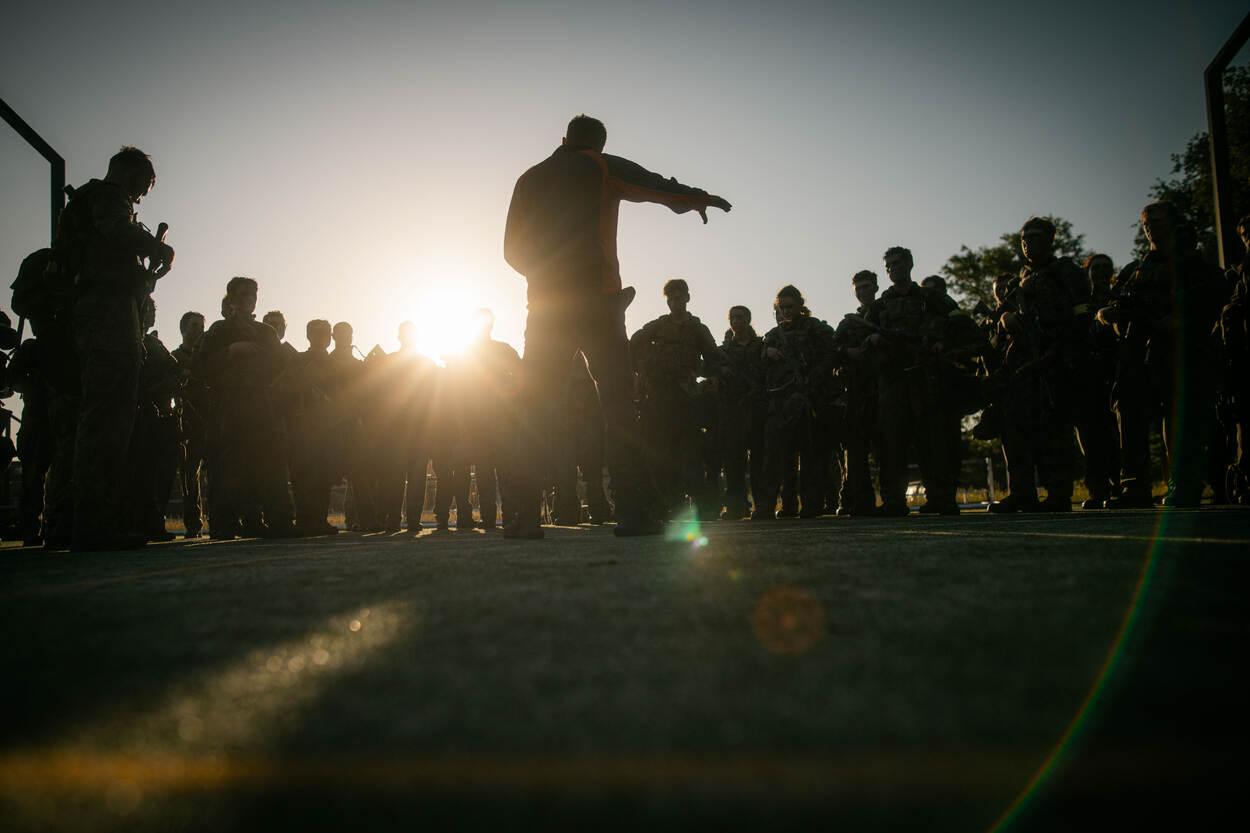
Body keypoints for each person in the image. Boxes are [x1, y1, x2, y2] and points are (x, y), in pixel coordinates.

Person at [502, 114, 731, 538]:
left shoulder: (528, 178)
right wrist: (696, 197)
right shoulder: (599, 164)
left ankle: (521, 517)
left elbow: (510, 249)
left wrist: (544, 277)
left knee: (534, 409)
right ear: (599, 145)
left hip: (546, 308)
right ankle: (634, 513)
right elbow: (655, 185)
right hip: (597, 304)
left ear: (563, 138)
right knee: (619, 407)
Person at [60, 147, 174, 550]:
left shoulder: (88, 203)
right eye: (141, 188)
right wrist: (156, 248)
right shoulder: (109, 198)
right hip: (107, 313)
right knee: (108, 416)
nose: (139, 198)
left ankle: (88, 518)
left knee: (104, 414)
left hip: (104, 311)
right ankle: (93, 522)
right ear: (128, 175)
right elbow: (117, 230)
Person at [1100, 202, 1226, 507]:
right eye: (1146, 222)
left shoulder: (1193, 264)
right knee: (1129, 414)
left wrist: (1183, 318)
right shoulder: (1135, 269)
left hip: (1179, 350)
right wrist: (1107, 315)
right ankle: (1135, 486)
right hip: (1138, 352)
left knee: (1180, 417)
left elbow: (1214, 293)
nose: (1151, 226)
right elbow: (1111, 305)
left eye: (1158, 221)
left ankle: (1183, 484)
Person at [989, 218, 1090, 513]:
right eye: (1023, 239)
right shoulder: (1019, 279)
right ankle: (1022, 492)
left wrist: (1063, 351)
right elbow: (1003, 313)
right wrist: (1006, 319)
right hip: (1021, 362)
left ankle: (1059, 493)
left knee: (1053, 428)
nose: (1028, 243)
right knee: (1014, 426)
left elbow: (1083, 313)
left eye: (1034, 237)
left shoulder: (1065, 272)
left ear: (1050, 241)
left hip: (1054, 358)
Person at [865, 246, 965, 516]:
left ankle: (941, 497)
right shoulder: (881, 304)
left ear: (909, 264)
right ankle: (894, 501)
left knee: (932, 441)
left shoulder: (930, 297)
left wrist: (943, 342)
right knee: (892, 444)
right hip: (893, 381)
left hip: (925, 378)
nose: (893, 269)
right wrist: (872, 340)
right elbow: (861, 333)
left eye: (897, 263)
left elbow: (960, 322)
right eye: (888, 266)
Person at [192, 277, 295, 537]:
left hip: (262, 404)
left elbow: (283, 366)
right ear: (232, 299)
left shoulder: (265, 333)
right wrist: (231, 351)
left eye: (252, 295)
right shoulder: (219, 331)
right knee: (231, 467)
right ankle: (225, 524)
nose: (248, 299)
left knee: (269, 465)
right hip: (230, 405)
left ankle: (276, 522)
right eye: (242, 295)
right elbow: (200, 367)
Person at [629, 279, 724, 520]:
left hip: (686, 399)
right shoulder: (658, 326)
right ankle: (668, 506)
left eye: (680, 297)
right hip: (659, 399)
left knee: (691, 456)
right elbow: (632, 345)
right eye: (671, 298)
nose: (676, 302)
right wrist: (640, 373)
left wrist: (712, 377)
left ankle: (701, 507)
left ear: (687, 299)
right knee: (659, 457)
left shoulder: (697, 328)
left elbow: (714, 356)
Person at [756, 285, 835, 519]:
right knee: (774, 458)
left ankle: (811, 505)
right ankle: (768, 506)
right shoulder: (773, 335)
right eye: (782, 307)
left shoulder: (816, 328)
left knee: (811, 457)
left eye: (791, 306)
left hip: (808, 399)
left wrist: (816, 376)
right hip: (779, 402)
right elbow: (758, 364)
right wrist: (766, 353)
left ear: (801, 306)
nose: (787, 311)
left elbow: (831, 353)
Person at [458, 309, 521, 530]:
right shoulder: (500, 351)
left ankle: (492, 517)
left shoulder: (466, 354)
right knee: (499, 471)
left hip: (488, 421)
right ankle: (508, 515)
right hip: (491, 421)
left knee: (493, 471)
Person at [831, 270, 881, 516]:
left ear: (876, 287)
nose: (863, 291)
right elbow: (831, 350)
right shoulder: (850, 322)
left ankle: (894, 499)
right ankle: (859, 500)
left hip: (886, 387)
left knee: (888, 447)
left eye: (867, 286)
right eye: (858, 288)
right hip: (857, 390)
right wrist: (847, 352)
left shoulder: (887, 313)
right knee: (855, 449)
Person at [717, 305, 766, 519]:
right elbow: (707, 367)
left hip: (757, 408)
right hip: (732, 409)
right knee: (733, 461)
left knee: (759, 461)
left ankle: (763, 505)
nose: (736, 321)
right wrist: (720, 370)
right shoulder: (724, 351)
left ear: (748, 319)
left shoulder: (761, 346)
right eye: (733, 318)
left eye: (740, 317)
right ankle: (736, 506)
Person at [1219, 215, 1250, 504]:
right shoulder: (1236, 273)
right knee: (1242, 420)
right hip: (1240, 355)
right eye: (1244, 232)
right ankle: (1246, 479)